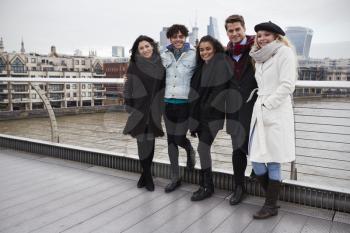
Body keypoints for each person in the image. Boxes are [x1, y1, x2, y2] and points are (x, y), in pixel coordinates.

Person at [249, 21, 297, 219]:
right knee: (256, 160)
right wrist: (262, 105)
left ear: (276, 36)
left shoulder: (284, 52)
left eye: (266, 35)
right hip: (259, 110)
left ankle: (270, 205)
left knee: (274, 160)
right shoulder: (259, 57)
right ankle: (273, 199)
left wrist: (268, 104)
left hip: (275, 111)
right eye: (259, 35)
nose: (261, 39)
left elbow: (287, 85)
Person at [188, 35, 232, 201]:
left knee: (202, 149)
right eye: (201, 50)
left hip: (212, 116)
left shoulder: (221, 65)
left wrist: (205, 109)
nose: (204, 52)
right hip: (199, 115)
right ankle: (204, 184)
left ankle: (207, 187)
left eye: (208, 49)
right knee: (203, 150)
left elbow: (219, 92)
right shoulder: (200, 67)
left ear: (215, 49)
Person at [123, 35, 165, 191]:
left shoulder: (160, 64)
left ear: (152, 46)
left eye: (147, 46)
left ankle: (145, 175)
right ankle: (148, 176)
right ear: (137, 51)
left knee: (151, 141)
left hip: (154, 109)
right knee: (142, 142)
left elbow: (163, 87)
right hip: (138, 109)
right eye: (141, 48)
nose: (145, 49)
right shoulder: (134, 65)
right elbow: (128, 87)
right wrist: (128, 105)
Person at [224, 15, 258, 205]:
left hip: (255, 107)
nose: (235, 33)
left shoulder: (257, 48)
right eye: (231, 30)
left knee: (258, 146)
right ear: (227, 32)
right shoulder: (226, 53)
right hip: (234, 108)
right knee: (237, 149)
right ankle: (239, 187)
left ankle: (264, 184)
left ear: (244, 29)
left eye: (238, 29)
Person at [161, 24, 196, 193]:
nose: (178, 39)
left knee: (179, 138)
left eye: (181, 36)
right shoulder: (163, 54)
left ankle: (189, 149)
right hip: (167, 103)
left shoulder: (194, 55)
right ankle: (175, 177)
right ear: (170, 38)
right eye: (175, 36)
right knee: (170, 141)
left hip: (184, 104)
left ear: (185, 37)